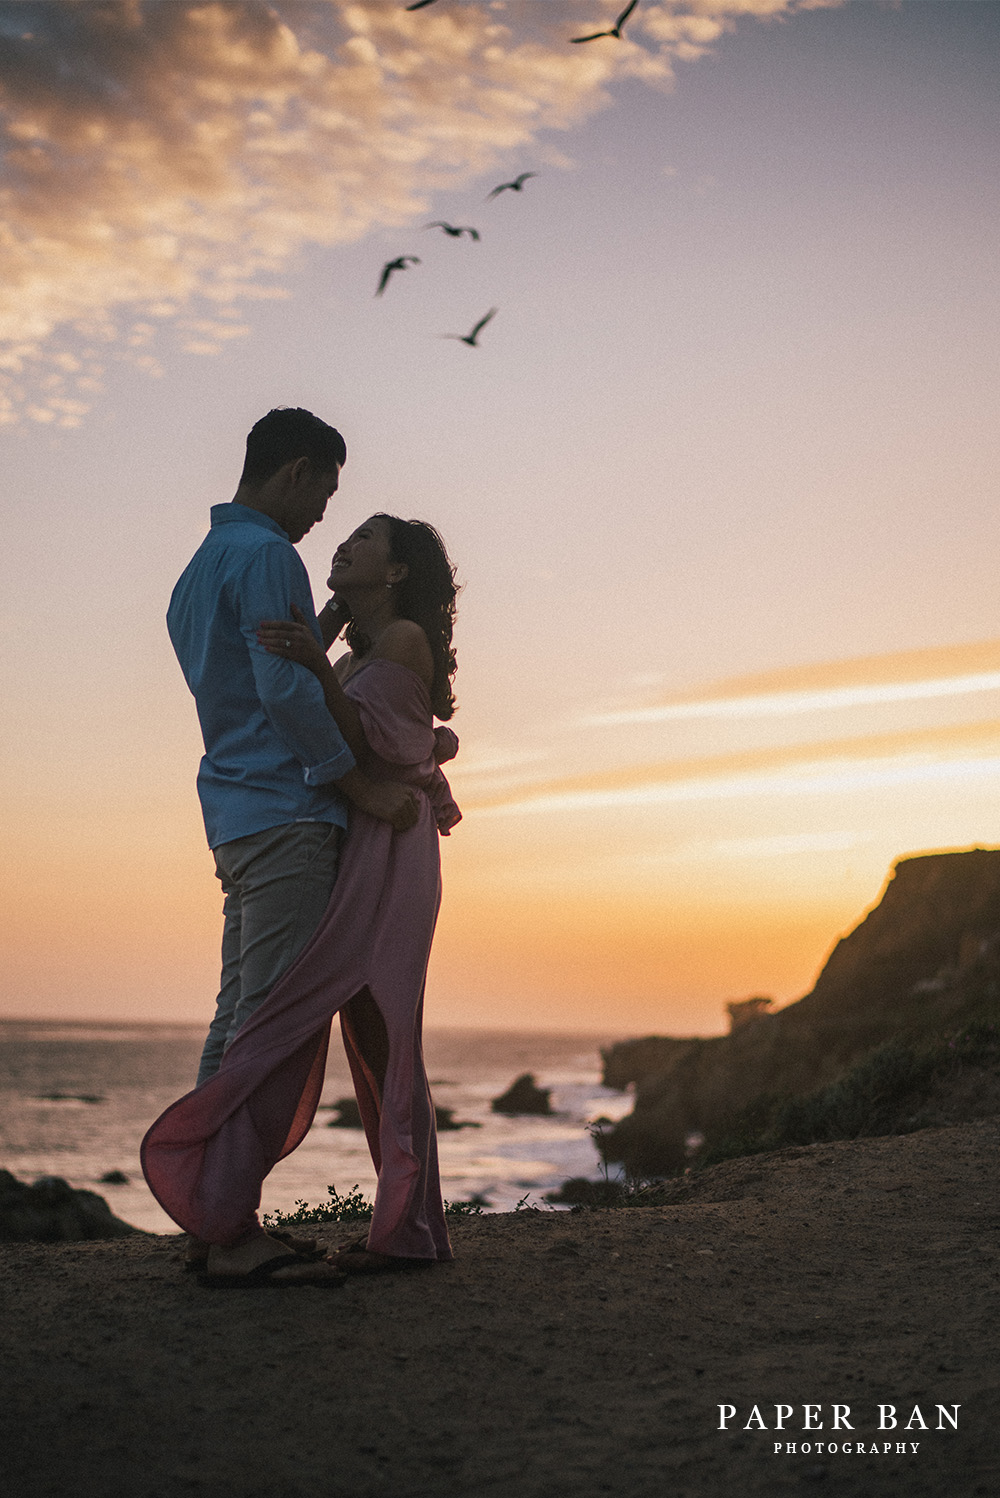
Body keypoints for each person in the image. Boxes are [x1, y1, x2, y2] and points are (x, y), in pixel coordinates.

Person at [142, 512, 461, 1285]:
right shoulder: (356, 649)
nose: (341, 544)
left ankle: (406, 1230)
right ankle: (391, 1227)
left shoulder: (406, 639)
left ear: (393, 573)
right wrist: (322, 646)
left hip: (390, 845)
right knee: (361, 1026)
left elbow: (373, 745)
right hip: (361, 839)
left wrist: (317, 670)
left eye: (363, 541)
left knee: (384, 1026)